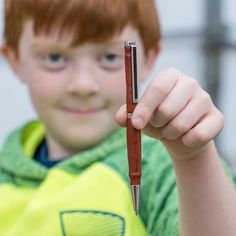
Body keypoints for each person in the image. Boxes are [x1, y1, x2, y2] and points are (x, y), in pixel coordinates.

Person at [0, 0, 236, 235]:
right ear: (14, 59)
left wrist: (193, 158)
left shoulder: (162, 164)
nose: (84, 85)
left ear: (149, 57)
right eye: (54, 58)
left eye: (110, 58)